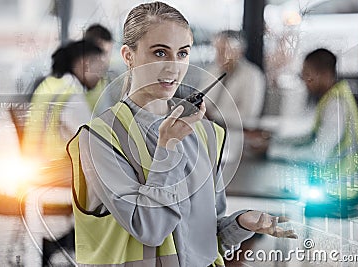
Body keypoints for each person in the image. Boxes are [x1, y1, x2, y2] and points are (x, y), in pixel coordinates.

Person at [67, 2, 296, 266]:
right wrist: (168, 148)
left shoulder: (206, 134)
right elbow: (151, 229)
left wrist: (240, 223)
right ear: (128, 56)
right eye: (160, 53)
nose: (174, 67)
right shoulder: (101, 138)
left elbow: (205, 239)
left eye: (183, 53)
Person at [268, 48, 358, 203]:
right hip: (333, 189)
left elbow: (317, 154)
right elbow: (312, 137)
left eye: (308, 74)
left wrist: (272, 151)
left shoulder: (336, 105)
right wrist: (274, 141)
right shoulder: (332, 96)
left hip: (338, 194)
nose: (305, 80)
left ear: (325, 75)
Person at [22, 40, 103, 185]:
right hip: (57, 174)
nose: (101, 75)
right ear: (84, 64)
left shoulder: (50, 85)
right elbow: (94, 140)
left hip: (37, 168)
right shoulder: (71, 95)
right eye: (98, 67)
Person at [203, 30, 266, 128]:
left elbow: (249, 114)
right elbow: (202, 99)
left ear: (239, 52)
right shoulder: (213, 71)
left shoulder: (252, 75)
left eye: (224, 50)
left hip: (236, 133)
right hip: (208, 128)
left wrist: (213, 115)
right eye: (217, 50)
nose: (218, 55)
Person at [83, 24, 117, 113]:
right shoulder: (73, 85)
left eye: (108, 54)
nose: (106, 60)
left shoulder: (106, 79)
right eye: (102, 54)